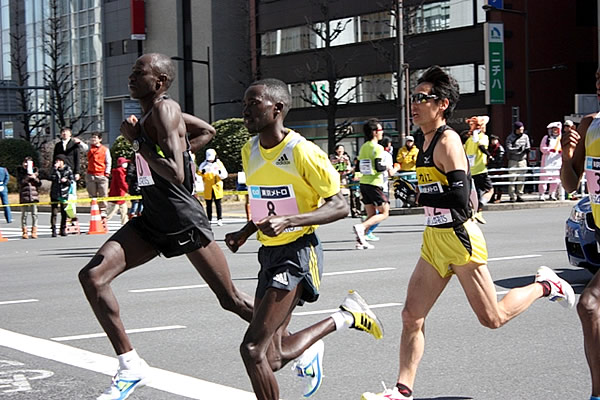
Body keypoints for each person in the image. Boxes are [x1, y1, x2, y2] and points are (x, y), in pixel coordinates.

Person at [361, 66, 575, 400]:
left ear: (442, 104)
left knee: (493, 318)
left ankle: (546, 285)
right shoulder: (423, 138)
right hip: (433, 239)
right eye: (412, 98)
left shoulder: (448, 141)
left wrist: (421, 196)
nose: (414, 104)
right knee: (410, 316)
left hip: (459, 238)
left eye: (421, 98)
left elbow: (461, 198)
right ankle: (402, 391)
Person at [78, 53, 254, 400]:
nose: (131, 76)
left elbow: (174, 172)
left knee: (230, 299)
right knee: (93, 277)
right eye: (131, 71)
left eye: (138, 72)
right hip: (152, 217)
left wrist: (140, 143)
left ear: (159, 81)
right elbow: (208, 131)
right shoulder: (151, 114)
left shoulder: (164, 109)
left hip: (181, 217)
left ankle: (295, 341)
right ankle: (130, 366)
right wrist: (180, 149)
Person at [225, 78, 383, 400]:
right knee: (273, 356)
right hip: (268, 254)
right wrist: (244, 232)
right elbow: (264, 203)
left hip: (297, 254)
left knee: (252, 349)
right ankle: (347, 316)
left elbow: (339, 205)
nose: (245, 111)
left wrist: (290, 221)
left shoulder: (303, 152)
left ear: (278, 108)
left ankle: (344, 318)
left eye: (253, 104)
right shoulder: (249, 150)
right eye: (244, 105)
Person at [560, 66, 600, 400]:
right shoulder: (590, 125)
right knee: (590, 308)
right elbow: (572, 184)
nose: (599, 84)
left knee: (589, 305)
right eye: (598, 78)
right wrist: (566, 152)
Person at [353, 119, 391, 250]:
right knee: (385, 212)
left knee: (371, 214)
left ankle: (361, 240)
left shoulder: (364, 147)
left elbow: (358, 166)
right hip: (374, 183)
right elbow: (379, 167)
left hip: (364, 183)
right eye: (380, 130)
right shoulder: (378, 148)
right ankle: (361, 227)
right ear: (375, 132)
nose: (382, 132)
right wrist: (388, 166)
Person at [365, 136, 398, 241]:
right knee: (384, 212)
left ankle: (365, 230)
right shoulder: (386, 155)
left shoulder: (372, 152)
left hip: (369, 183)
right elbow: (390, 172)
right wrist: (397, 167)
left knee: (374, 211)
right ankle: (365, 230)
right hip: (382, 185)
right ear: (388, 145)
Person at [463, 116, 493, 223]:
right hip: (480, 169)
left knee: (473, 193)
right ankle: (479, 211)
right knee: (489, 190)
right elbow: (482, 146)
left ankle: (471, 214)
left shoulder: (469, 139)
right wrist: (489, 156)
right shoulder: (482, 137)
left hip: (470, 170)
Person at [197, 148, 228, 226]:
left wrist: (219, 173)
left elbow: (224, 175)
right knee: (208, 204)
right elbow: (198, 176)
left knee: (218, 204)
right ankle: (209, 219)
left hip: (217, 187)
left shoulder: (219, 164)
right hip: (207, 187)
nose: (210, 160)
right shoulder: (203, 165)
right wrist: (202, 173)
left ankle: (219, 219)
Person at [85, 132, 112, 216]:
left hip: (101, 174)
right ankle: (94, 208)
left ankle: (103, 210)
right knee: (92, 194)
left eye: (95, 138)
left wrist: (107, 172)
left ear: (100, 139)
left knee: (103, 193)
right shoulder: (89, 149)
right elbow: (83, 148)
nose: (93, 139)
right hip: (91, 174)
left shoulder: (105, 149)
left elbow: (108, 161)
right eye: (92, 138)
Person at [505, 121, 531, 202]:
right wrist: (517, 150)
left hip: (522, 160)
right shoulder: (510, 137)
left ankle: (520, 194)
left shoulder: (525, 137)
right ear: (516, 129)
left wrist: (527, 150)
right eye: (520, 129)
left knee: (521, 178)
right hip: (513, 160)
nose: (521, 131)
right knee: (512, 178)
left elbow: (528, 145)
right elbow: (508, 149)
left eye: (522, 129)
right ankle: (512, 196)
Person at [16, 157, 41, 238]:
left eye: (28, 163)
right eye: (25, 162)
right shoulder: (20, 172)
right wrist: (27, 177)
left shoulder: (35, 172)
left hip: (34, 196)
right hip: (24, 195)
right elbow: (20, 183)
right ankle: (24, 232)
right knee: (24, 214)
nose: (26, 164)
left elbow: (39, 184)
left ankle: (34, 231)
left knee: (34, 214)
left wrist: (35, 178)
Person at [50, 154, 74, 237]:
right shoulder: (54, 170)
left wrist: (66, 180)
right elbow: (50, 177)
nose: (57, 162)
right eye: (56, 161)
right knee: (54, 212)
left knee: (64, 212)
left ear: (62, 161)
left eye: (59, 161)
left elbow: (71, 180)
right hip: (55, 193)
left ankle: (63, 229)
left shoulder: (68, 170)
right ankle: (53, 229)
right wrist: (54, 170)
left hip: (64, 193)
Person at [538, 121, 563, 201]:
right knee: (544, 179)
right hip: (547, 161)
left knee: (556, 180)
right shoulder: (546, 138)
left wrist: (561, 151)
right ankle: (542, 194)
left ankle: (552, 194)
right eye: (554, 130)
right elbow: (542, 148)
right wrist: (549, 150)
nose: (555, 131)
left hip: (557, 161)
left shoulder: (561, 139)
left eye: (557, 130)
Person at [106, 157, 130, 225]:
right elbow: (122, 183)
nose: (126, 164)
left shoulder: (119, 171)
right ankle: (103, 222)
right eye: (125, 163)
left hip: (119, 194)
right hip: (117, 194)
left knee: (124, 210)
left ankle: (125, 223)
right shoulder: (120, 171)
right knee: (112, 211)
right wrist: (127, 189)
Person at [487, 134, 505, 203]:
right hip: (491, 168)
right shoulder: (489, 147)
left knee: (499, 184)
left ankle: (498, 198)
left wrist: (493, 160)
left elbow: (500, 158)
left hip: (498, 168)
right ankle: (492, 197)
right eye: (493, 140)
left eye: (495, 140)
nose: (494, 141)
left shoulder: (500, 148)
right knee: (492, 183)